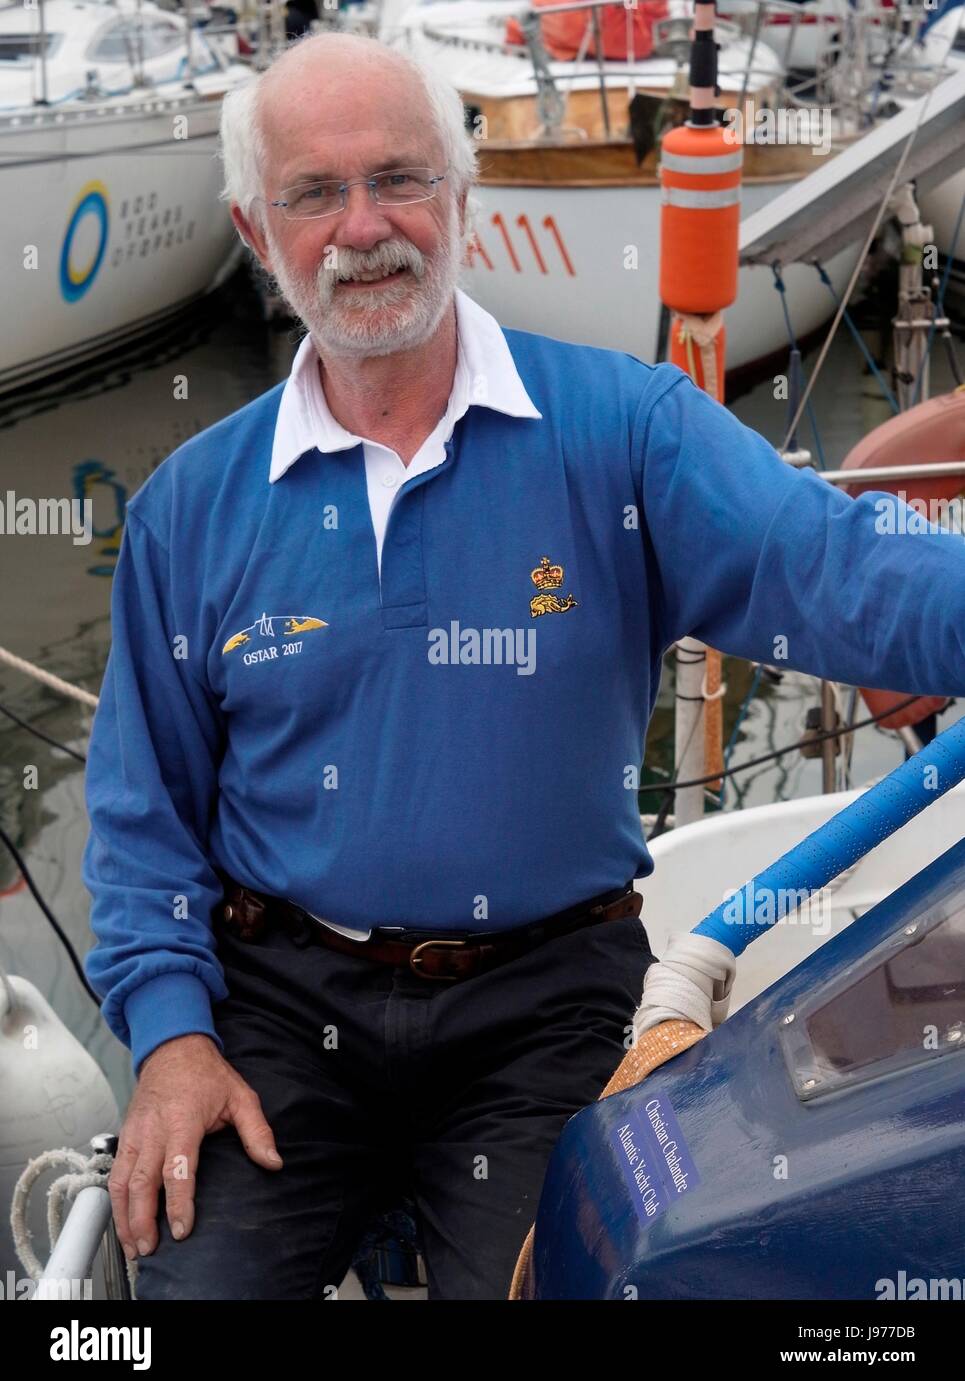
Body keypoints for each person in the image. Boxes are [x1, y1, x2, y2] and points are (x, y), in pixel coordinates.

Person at [82, 30, 965, 1300]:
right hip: (276, 1008)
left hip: (544, 1004)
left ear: (462, 193)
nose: (363, 226)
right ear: (251, 226)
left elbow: (831, 567)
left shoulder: (623, 432)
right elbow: (139, 817)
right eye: (314, 193)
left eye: (399, 178)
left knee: (598, 1282)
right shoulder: (189, 509)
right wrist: (170, 1037)